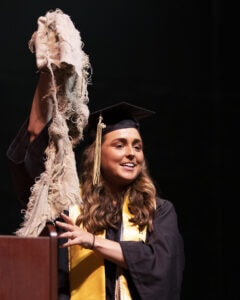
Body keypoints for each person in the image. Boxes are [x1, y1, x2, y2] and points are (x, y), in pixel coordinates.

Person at [7, 71, 185, 300]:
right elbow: (33, 146)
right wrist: (47, 73)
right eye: (120, 145)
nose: (131, 153)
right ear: (97, 155)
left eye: (137, 146)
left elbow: (162, 265)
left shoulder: (158, 211)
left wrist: (92, 241)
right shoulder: (69, 208)